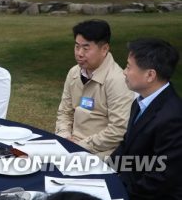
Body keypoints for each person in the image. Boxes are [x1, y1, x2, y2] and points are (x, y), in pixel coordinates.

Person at [111, 38, 182, 198]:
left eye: (129, 67)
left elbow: (161, 176)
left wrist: (118, 193)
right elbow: (126, 146)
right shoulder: (141, 100)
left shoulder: (173, 118)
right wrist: (105, 170)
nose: (124, 71)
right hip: (131, 183)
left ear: (150, 75)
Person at [55, 19, 135, 158]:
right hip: (69, 144)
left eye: (86, 48)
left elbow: (118, 130)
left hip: (99, 153)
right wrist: (64, 135)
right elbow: (64, 111)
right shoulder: (74, 72)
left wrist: (81, 146)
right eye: (77, 46)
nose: (79, 53)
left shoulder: (117, 80)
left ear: (104, 49)